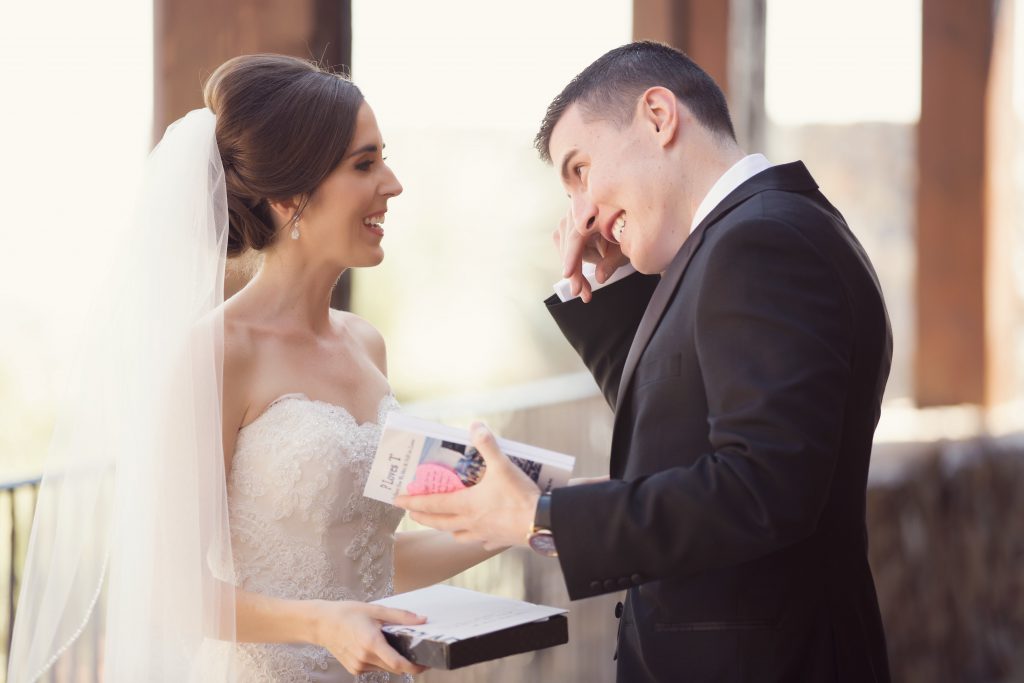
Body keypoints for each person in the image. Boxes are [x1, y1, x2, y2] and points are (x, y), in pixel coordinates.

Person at [396, 41, 893, 682]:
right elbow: (673, 427)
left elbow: (765, 487)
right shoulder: (744, 240)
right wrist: (612, 286)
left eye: (580, 170)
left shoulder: (761, 242)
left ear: (658, 116)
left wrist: (539, 517)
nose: (582, 214)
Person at [8, 55, 498, 683]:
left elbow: (370, 564)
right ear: (291, 193)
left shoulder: (367, 345)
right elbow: (175, 592)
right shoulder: (215, 352)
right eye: (365, 164)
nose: (393, 185)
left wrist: (518, 523)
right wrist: (322, 625)